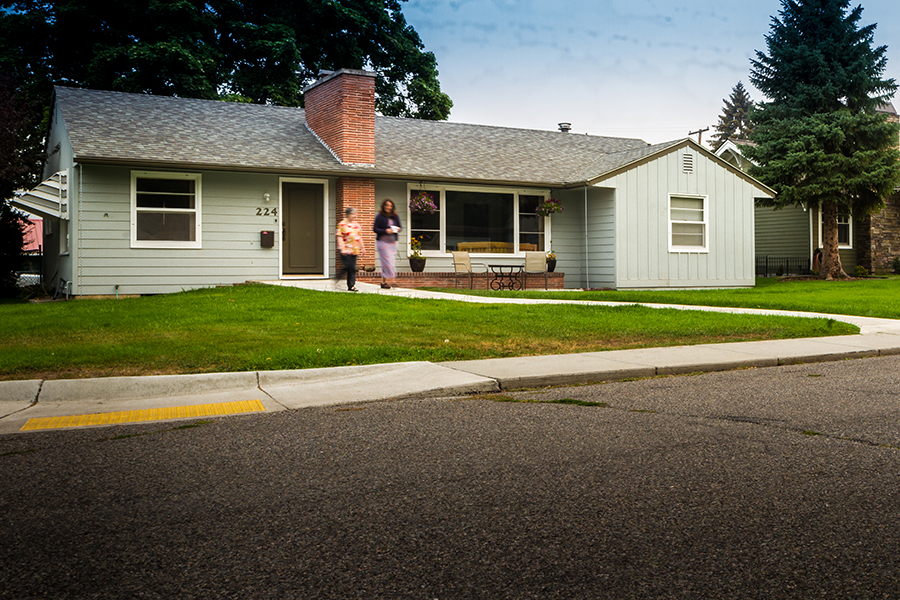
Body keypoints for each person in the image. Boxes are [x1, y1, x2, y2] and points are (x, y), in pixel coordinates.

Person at [373, 198, 401, 289]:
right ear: (383, 206)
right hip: (382, 242)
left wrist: (398, 229)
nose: (388, 207)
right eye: (386, 205)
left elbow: (400, 227)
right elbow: (375, 229)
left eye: (390, 206)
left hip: (393, 243)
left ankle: (383, 282)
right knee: (387, 261)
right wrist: (386, 230)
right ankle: (392, 280)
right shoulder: (380, 216)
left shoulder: (395, 216)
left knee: (389, 262)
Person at [335, 207, 365, 291]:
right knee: (350, 267)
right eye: (353, 214)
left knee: (352, 268)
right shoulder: (342, 224)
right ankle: (339, 277)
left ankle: (351, 286)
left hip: (354, 250)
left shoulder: (356, 225)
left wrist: (362, 248)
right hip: (346, 250)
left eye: (355, 214)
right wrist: (342, 248)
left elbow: (359, 237)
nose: (355, 216)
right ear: (348, 215)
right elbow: (339, 237)